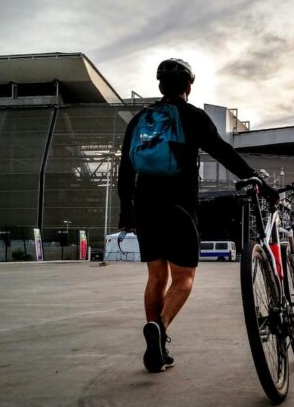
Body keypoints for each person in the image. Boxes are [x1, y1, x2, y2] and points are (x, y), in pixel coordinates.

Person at [117, 58, 278, 373]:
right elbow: (223, 152)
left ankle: (156, 346)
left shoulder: (139, 120)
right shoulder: (193, 116)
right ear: (188, 87)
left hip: (145, 206)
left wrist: (126, 210)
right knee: (184, 278)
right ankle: (160, 327)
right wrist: (258, 181)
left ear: (160, 86)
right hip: (179, 206)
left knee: (156, 277)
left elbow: (125, 169)